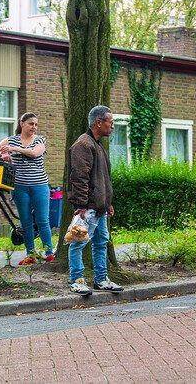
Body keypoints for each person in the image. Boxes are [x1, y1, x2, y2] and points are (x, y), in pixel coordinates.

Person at [67, 105, 123, 296]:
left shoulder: (96, 145)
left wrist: (108, 203)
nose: (113, 126)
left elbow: (102, 179)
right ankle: (76, 281)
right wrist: (81, 205)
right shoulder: (84, 145)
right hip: (88, 208)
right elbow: (79, 177)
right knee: (78, 244)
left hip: (99, 208)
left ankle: (101, 279)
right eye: (111, 122)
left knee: (101, 243)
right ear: (99, 123)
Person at [0, 112, 54, 265]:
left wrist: (14, 149)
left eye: (36, 124)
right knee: (25, 222)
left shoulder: (40, 140)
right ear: (22, 123)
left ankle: (49, 253)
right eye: (31, 123)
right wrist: (2, 156)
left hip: (39, 185)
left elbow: (34, 153)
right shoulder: (10, 140)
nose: (34, 127)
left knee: (42, 220)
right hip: (19, 186)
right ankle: (30, 255)